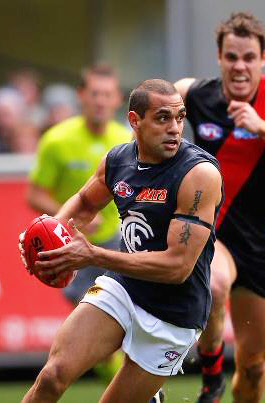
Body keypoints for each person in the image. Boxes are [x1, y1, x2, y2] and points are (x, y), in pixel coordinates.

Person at [19, 79, 223, 403]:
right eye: (162, 118)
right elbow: (85, 204)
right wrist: (49, 237)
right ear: (134, 121)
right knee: (52, 376)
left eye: (180, 117)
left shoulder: (198, 175)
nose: (175, 128)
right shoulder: (118, 160)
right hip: (124, 288)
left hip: (174, 313)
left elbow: (177, 267)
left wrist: (93, 255)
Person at [175, 12, 265, 403]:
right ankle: (211, 380)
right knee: (215, 283)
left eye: (248, 57)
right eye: (231, 57)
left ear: (263, 59)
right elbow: (153, 116)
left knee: (255, 364)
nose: (239, 66)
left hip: (260, 244)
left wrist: (264, 128)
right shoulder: (194, 94)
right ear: (219, 58)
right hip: (215, 232)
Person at [27, 64, 131, 307]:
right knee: (92, 315)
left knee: (123, 317)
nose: (100, 102)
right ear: (80, 95)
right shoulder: (56, 140)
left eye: (107, 95)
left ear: (117, 99)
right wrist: (72, 215)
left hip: (118, 244)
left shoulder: (127, 140)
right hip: (74, 244)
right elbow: (34, 195)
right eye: (95, 94)